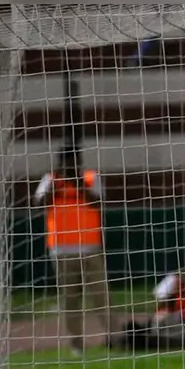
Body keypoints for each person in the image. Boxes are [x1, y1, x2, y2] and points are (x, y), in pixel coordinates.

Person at [33, 149, 112, 357]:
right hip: (62, 250)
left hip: (90, 248)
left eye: (74, 162)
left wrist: (78, 184)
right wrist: (55, 185)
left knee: (101, 296)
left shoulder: (89, 178)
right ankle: (77, 342)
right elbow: (40, 204)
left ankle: (113, 336)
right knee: (70, 299)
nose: (70, 166)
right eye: (67, 163)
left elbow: (99, 202)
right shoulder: (50, 180)